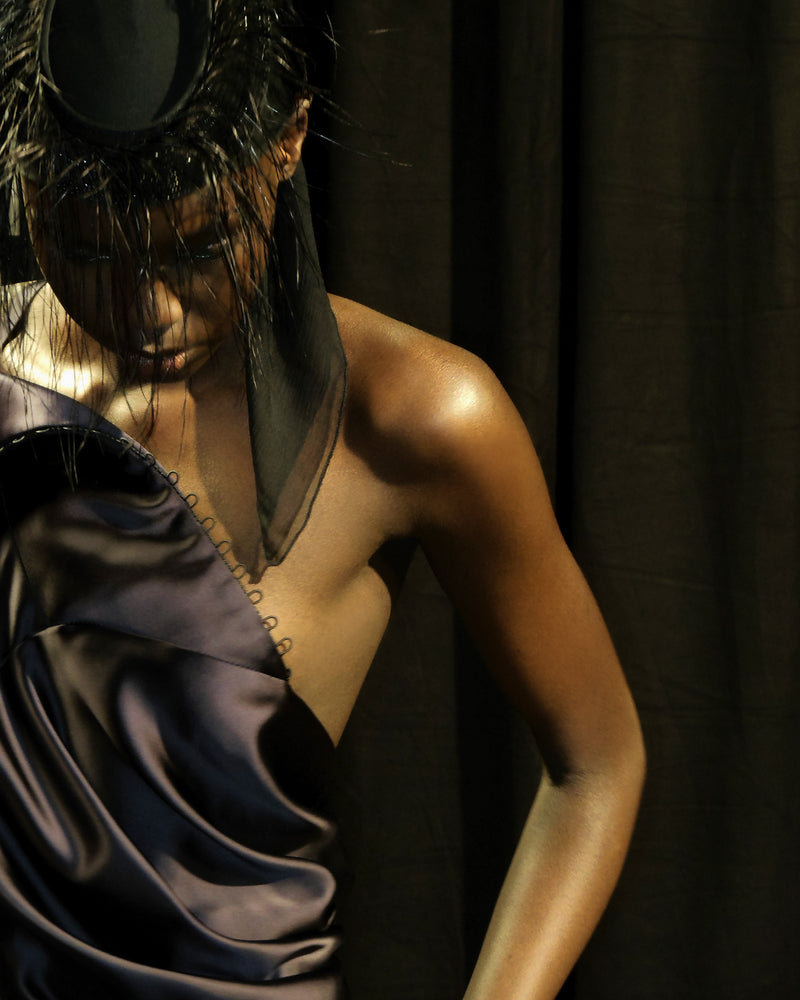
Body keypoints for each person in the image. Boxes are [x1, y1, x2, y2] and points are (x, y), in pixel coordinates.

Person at [0, 1, 645, 997]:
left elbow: (595, 762)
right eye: (90, 252)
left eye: (198, 246)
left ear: (287, 145)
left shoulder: (412, 417)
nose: (148, 311)